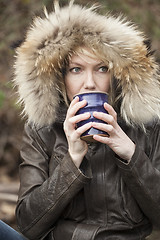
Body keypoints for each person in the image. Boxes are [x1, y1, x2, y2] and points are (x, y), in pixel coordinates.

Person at [13, 1, 160, 239]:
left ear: (117, 75)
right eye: (76, 69)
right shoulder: (42, 130)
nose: (89, 83)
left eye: (102, 68)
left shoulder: (147, 127)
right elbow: (28, 225)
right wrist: (72, 160)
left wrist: (131, 155)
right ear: (60, 78)